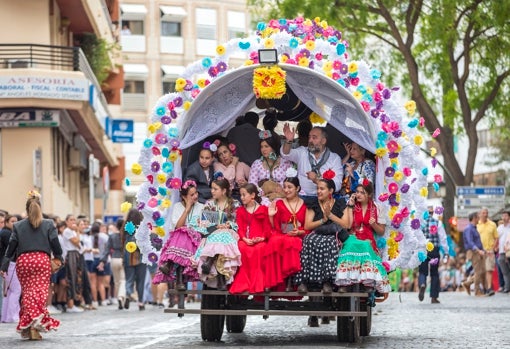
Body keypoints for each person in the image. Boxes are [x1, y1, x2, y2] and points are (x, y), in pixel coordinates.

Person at [0, 191, 62, 340]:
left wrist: (4, 265)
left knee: (27, 292)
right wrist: (59, 257)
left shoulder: (18, 225)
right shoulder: (48, 224)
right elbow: (55, 243)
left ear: (27, 209)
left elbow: (11, 247)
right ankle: (35, 323)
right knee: (39, 293)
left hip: (23, 261)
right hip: (42, 260)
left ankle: (28, 326)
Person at [294, 176, 351, 295]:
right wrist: (323, 220)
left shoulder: (340, 203)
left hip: (334, 234)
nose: (318, 191)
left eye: (322, 189)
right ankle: (304, 281)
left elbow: (346, 225)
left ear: (330, 191)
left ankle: (328, 281)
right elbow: (308, 226)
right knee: (308, 240)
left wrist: (330, 216)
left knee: (329, 243)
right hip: (318, 231)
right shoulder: (313, 204)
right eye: (317, 188)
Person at [153, 180, 204, 290]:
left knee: (183, 233)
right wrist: (187, 209)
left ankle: (169, 264)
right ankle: (179, 280)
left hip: (195, 241)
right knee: (181, 232)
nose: (195, 196)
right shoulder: (177, 207)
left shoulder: (202, 207)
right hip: (181, 241)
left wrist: (190, 229)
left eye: (196, 193)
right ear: (184, 197)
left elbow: (203, 227)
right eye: (192, 195)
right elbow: (178, 226)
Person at [194, 178, 242, 290]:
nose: (212, 191)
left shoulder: (235, 204)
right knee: (219, 235)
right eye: (212, 188)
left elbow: (238, 221)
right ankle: (220, 278)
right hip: (212, 233)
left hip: (229, 234)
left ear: (224, 191)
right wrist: (216, 226)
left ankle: (209, 261)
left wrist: (228, 225)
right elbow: (205, 223)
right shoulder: (209, 204)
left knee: (224, 235)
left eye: (215, 189)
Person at [266, 173, 308, 291]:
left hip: (299, 234)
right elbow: (275, 226)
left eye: (289, 187)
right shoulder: (279, 203)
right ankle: (272, 280)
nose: (286, 190)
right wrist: (270, 216)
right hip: (283, 233)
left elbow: (308, 226)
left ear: (297, 188)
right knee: (274, 241)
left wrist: (299, 231)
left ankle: (290, 278)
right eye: (284, 187)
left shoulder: (305, 205)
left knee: (292, 241)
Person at [281, 124, 343, 204]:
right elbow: (286, 154)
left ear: (323, 141)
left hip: (323, 200)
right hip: (300, 197)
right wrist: (289, 141)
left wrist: (317, 180)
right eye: (309, 137)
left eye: (314, 137)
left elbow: (337, 185)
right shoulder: (302, 152)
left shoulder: (334, 158)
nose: (310, 140)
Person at [229, 184, 272, 294]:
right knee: (242, 247)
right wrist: (244, 239)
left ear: (252, 195)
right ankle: (244, 282)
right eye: (241, 195)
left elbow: (267, 228)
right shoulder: (240, 211)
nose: (242, 197)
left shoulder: (263, 209)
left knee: (260, 249)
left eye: (244, 195)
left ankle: (258, 283)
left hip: (259, 240)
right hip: (246, 240)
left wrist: (262, 238)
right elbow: (240, 228)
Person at [417, 206, 449, 304]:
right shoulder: (438, 223)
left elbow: (416, 237)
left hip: (423, 249)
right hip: (434, 249)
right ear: (432, 213)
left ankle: (422, 284)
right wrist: (446, 252)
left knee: (422, 271)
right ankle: (434, 297)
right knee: (434, 273)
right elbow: (443, 238)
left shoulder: (420, 224)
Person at [248, 131, 293, 198]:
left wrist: (280, 188)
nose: (263, 149)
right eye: (262, 147)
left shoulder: (285, 163)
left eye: (266, 146)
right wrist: (262, 192)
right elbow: (252, 184)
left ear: (274, 147)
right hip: (262, 198)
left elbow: (291, 182)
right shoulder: (257, 164)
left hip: (282, 196)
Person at [349, 180, 386, 254]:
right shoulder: (351, 205)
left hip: (369, 242)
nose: (358, 195)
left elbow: (381, 232)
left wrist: (374, 225)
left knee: (366, 246)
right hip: (353, 240)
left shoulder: (378, 207)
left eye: (362, 193)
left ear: (369, 194)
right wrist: (350, 206)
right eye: (357, 192)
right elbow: (347, 226)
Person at [122, 208, 147, 310]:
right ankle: (140, 302)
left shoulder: (125, 227)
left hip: (129, 256)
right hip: (140, 256)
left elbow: (122, 242)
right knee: (140, 281)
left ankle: (128, 294)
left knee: (129, 278)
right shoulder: (143, 227)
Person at [99, 219, 126, 309]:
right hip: (123, 258)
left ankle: (119, 299)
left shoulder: (112, 236)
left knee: (116, 281)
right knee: (123, 280)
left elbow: (107, 249)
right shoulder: (126, 236)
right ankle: (121, 296)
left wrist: (103, 261)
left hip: (114, 258)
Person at [61, 214, 85, 313]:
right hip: (70, 255)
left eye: (74, 220)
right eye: (71, 220)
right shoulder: (67, 231)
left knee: (76, 278)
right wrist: (78, 231)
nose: (73, 222)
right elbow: (76, 242)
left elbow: (79, 246)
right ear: (66, 222)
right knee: (71, 278)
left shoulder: (72, 232)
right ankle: (70, 304)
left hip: (76, 254)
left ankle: (75, 302)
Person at [0, 214, 20, 323]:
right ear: (7, 222)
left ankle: (6, 316)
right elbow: (12, 249)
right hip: (9, 264)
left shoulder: (5, 232)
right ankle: (12, 316)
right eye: (12, 221)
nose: (15, 224)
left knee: (8, 291)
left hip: (6, 264)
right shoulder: (7, 234)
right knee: (16, 290)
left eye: (16, 221)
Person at [462, 212, 486, 296]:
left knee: (482, 271)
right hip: (474, 252)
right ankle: (477, 291)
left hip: (478, 251)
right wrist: (478, 250)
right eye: (478, 217)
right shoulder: (469, 228)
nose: (479, 219)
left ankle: (468, 283)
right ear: (474, 218)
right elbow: (470, 242)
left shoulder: (474, 228)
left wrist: (482, 250)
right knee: (478, 271)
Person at [476, 207, 498, 296]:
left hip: (489, 250)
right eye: (483, 213)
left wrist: (493, 247)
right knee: (481, 271)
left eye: (486, 213)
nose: (485, 214)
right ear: (479, 214)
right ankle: (483, 287)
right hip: (479, 251)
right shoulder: (477, 225)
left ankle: (489, 288)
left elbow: (496, 237)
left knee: (489, 269)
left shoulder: (492, 224)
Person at [496, 210, 510, 293]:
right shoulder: (499, 228)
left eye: (506, 216)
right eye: (503, 216)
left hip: (509, 251)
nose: (504, 217)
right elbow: (496, 238)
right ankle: (507, 287)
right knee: (504, 271)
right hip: (501, 252)